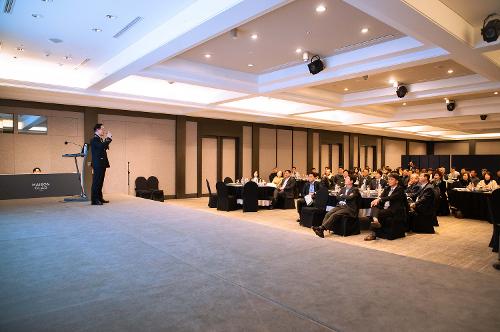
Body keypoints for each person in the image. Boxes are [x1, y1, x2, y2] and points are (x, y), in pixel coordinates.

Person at [312, 173, 360, 238]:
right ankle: (321, 230)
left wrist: (342, 195)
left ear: (351, 181)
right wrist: (344, 196)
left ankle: (321, 228)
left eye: (347, 178)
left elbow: (350, 198)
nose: (345, 179)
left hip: (350, 208)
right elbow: (337, 197)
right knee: (328, 213)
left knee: (335, 214)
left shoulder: (355, 189)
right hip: (341, 206)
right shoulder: (343, 188)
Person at [364, 172, 407, 241]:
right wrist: (376, 200)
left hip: (394, 209)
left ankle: (373, 234)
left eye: (391, 179)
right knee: (374, 205)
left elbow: (391, 197)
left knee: (376, 213)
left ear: (397, 181)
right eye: (389, 179)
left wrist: (379, 199)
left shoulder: (400, 189)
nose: (389, 181)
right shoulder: (387, 188)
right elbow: (382, 196)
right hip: (385, 207)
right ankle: (376, 220)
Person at [90, 123, 112, 205]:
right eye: (102, 129)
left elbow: (104, 147)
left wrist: (106, 140)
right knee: (96, 181)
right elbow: (101, 147)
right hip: (98, 163)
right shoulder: (94, 139)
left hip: (102, 163)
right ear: (97, 130)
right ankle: (94, 200)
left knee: (100, 181)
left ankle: (99, 197)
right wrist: (108, 138)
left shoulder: (100, 139)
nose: (103, 131)